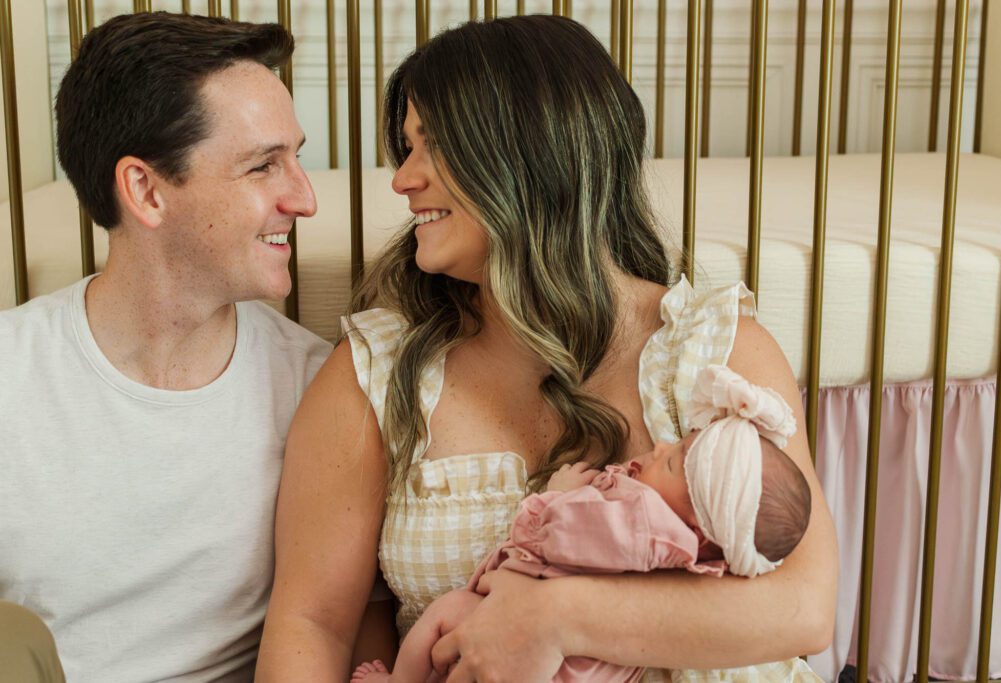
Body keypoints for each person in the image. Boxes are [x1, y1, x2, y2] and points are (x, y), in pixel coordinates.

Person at [256, 14, 838, 682]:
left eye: (433, 146)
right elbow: (312, 625)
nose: (402, 180)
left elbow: (804, 605)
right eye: (406, 149)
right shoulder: (376, 373)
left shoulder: (709, 349)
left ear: (531, 159)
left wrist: (555, 616)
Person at [0, 12, 331, 682]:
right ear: (146, 190)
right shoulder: (11, 377)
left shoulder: (319, 391)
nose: (305, 198)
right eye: (265, 165)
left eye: (297, 157)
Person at [349, 363, 814, 683]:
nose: (657, 450)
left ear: (698, 524)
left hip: (549, 655)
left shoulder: (646, 524)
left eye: (671, 464)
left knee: (448, 611)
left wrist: (556, 496)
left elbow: (570, 537)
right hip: (576, 664)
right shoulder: (679, 546)